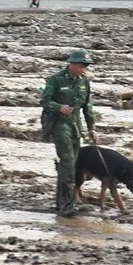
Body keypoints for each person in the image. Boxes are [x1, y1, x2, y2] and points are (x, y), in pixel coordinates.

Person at [40, 49, 99, 217]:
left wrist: (92, 128)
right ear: (71, 64)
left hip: (75, 126)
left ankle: (60, 201)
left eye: (85, 67)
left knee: (71, 164)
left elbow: (88, 106)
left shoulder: (84, 82)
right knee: (67, 162)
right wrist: (59, 107)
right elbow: (44, 101)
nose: (82, 69)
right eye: (80, 66)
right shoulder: (55, 80)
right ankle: (67, 204)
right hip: (59, 125)